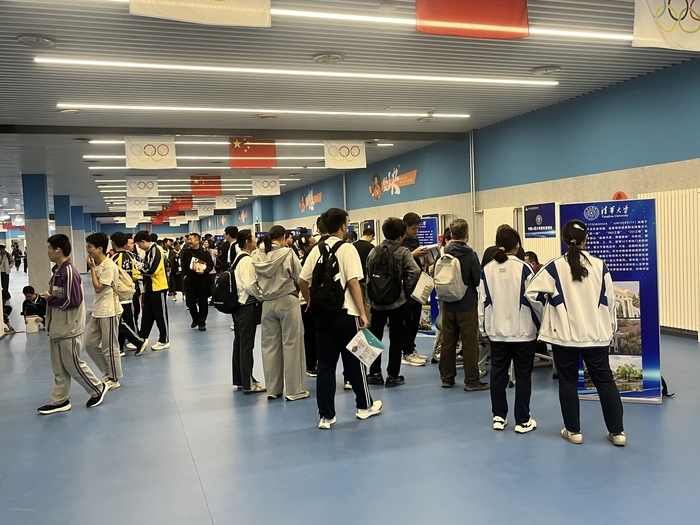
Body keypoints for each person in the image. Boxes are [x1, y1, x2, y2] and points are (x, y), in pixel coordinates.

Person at [526, 219, 625, 446]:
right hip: (596, 336)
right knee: (605, 382)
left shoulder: (554, 266)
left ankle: (574, 432)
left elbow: (531, 293)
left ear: (564, 239)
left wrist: (550, 311)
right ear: (585, 239)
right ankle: (618, 433)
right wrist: (610, 329)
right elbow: (611, 302)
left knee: (568, 382)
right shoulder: (600, 266)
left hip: (564, 336)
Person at [299, 208, 382, 430]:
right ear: (343, 226)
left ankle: (326, 416)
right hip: (346, 314)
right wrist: (362, 313)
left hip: (322, 316)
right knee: (355, 361)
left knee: (325, 365)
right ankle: (364, 406)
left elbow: (302, 280)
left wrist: (310, 301)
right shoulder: (347, 249)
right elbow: (353, 283)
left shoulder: (315, 250)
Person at [38, 234, 107, 414]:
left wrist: (49, 299)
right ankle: (60, 400)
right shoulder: (57, 271)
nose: (47, 252)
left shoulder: (69, 272)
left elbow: (73, 301)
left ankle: (97, 388)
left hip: (69, 327)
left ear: (58, 250)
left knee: (73, 364)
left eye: (49, 249)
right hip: (57, 327)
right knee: (59, 367)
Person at [479, 227, 540, 433]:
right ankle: (522, 420)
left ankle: (498, 417)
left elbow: (482, 303)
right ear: (518, 245)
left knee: (498, 374)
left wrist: (484, 329)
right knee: (523, 376)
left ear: (498, 245)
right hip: (524, 333)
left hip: (497, 332)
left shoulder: (487, 269)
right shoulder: (525, 268)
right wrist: (541, 324)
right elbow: (535, 301)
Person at [252, 225, 308, 401]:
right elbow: (300, 276)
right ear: (283, 237)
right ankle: (294, 390)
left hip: (267, 303)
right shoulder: (288, 253)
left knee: (269, 346)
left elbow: (254, 281)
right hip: (287, 300)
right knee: (292, 343)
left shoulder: (257, 256)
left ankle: (273, 389)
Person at [366, 217, 420, 387]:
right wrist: (406, 289)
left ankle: (374, 373)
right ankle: (392, 376)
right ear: (400, 236)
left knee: (375, 338)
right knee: (396, 338)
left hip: (376, 303)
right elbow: (415, 272)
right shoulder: (403, 252)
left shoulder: (373, 251)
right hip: (397, 302)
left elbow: (368, 273)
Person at [439, 218, 489, 391]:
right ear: (467, 234)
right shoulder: (470, 254)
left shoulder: (443, 251)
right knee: (469, 344)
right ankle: (472, 381)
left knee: (448, 342)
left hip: (447, 304)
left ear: (451, 234)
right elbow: (476, 279)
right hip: (466, 305)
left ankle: (447, 378)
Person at [84, 232, 123, 390]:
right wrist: (94, 268)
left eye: (90, 247)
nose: (87, 250)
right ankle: (107, 371)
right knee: (90, 345)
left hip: (109, 310)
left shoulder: (109, 266)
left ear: (99, 248)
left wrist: (92, 269)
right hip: (98, 310)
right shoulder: (99, 265)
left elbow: (99, 288)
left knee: (109, 347)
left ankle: (114, 378)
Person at [231, 229, 265, 393]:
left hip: (238, 306)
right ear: (247, 241)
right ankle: (248, 384)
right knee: (246, 346)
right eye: (253, 237)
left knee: (239, 344)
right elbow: (250, 284)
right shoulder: (246, 260)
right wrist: (262, 297)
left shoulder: (238, 258)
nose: (256, 240)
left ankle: (241, 379)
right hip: (247, 307)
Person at [110, 232, 149, 357]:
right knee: (128, 318)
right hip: (132, 291)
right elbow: (139, 270)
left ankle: (136, 341)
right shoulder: (132, 256)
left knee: (121, 320)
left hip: (118, 293)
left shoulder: (112, 259)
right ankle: (121, 347)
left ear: (113, 243)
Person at [400, 212, 429, 366]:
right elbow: (399, 260)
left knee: (416, 319)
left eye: (417, 229)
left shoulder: (415, 240)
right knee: (408, 320)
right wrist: (413, 254)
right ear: (405, 227)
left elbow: (417, 263)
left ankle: (411, 348)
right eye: (413, 229)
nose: (415, 232)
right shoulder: (400, 242)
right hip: (405, 287)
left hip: (418, 284)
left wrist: (426, 260)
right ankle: (406, 352)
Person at [135, 230, 170, 352]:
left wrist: (140, 268)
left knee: (160, 315)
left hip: (158, 287)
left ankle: (164, 340)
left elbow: (152, 269)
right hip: (149, 288)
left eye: (138, 244)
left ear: (143, 241)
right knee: (147, 315)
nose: (139, 247)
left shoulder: (156, 250)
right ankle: (142, 338)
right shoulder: (148, 252)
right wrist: (141, 266)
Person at [181, 233, 214, 331]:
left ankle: (201, 322)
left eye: (191, 239)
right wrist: (184, 275)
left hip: (202, 280)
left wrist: (204, 271)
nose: (189, 241)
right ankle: (195, 318)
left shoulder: (205, 253)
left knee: (203, 303)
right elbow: (184, 265)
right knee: (190, 302)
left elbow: (210, 265)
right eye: (188, 239)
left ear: (197, 241)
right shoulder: (186, 252)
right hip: (190, 280)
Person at [297, 234, 318, 376]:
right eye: (312, 244)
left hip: (310, 300)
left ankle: (313, 362)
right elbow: (301, 281)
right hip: (306, 301)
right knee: (310, 334)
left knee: (314, 333)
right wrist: (308, 299)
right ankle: (310, 365)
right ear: (305, 247)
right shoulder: (306, 260)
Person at [353, 227, 375, 322]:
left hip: (356, 279)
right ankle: (368, 323)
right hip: (368, 278)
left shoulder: (353, 246)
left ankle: (359, 322)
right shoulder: (371, 248)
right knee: (368, 302)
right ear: (370, 236)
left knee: (358, 302)